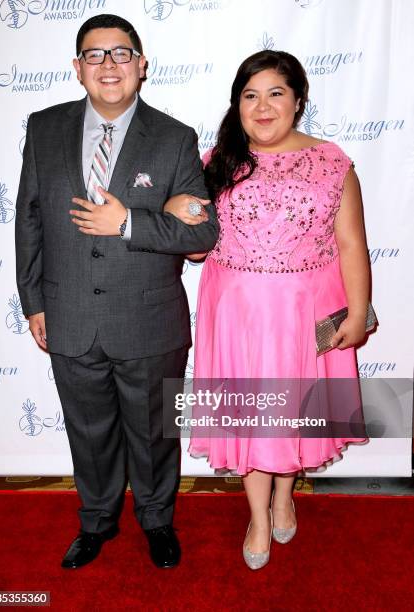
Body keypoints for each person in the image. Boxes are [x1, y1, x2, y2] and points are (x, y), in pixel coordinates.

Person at [15, 13, 218, 570]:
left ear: (142, 65)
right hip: (68, 313)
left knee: (155, 433)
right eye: (95, 54)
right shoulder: (43, 128)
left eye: (121, 53)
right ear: (78, 67)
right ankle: (97, 521)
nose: (109, 65)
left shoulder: (175, 138)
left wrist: (130, 222)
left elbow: (203, 231)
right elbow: (28, 218)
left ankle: (157, 521)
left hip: (151, 321)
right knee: (89, 431)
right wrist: (33, 301)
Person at [164, 50, 370, 569]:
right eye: (249, 95)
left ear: (298, 101)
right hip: (235, 313)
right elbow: (194, 249)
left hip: (305, 311)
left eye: (275, 93)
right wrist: (176, 212)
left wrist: (357, 310)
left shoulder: (332, 161)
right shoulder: (215, 161)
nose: (262, 106)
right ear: (237, 104)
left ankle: (284, 496)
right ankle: (258, 514)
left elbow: (351, 245)